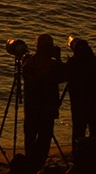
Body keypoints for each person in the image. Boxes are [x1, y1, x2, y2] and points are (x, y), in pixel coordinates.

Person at [63, 38, 96, 168]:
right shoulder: (92, 61)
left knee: (78, 130)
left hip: (79, 102)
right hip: (95, 101)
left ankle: (77, 156)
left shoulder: (73, 62)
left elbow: (63, 75)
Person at [22, 34, 65, 167]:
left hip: (32, 107)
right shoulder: (52, 65)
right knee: (44, 138)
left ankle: (30, 163)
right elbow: (64, 76)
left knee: (30, 137)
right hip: (48, 107)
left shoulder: (29, 63)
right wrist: (58, 59)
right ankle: (39, 164)